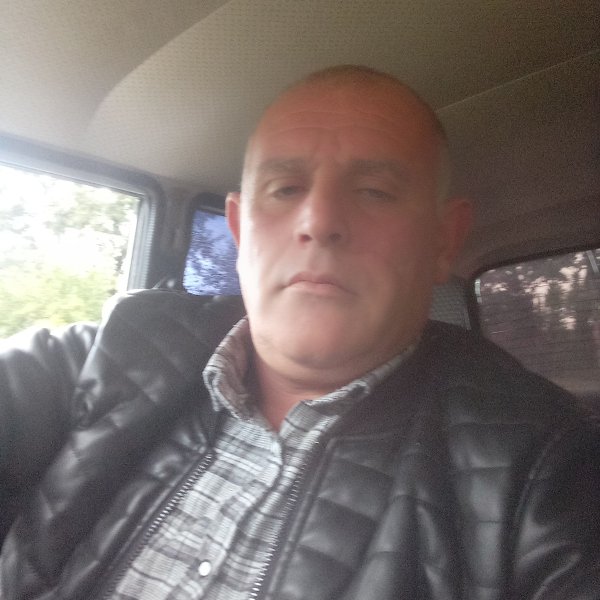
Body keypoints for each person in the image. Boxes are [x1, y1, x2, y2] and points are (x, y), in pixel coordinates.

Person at [1, 65, 599, 600]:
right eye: (285, 189)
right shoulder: (112, 351)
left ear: (443, 239)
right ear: (240, 230)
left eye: (374, 192)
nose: (318, 220)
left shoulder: (543, 469)